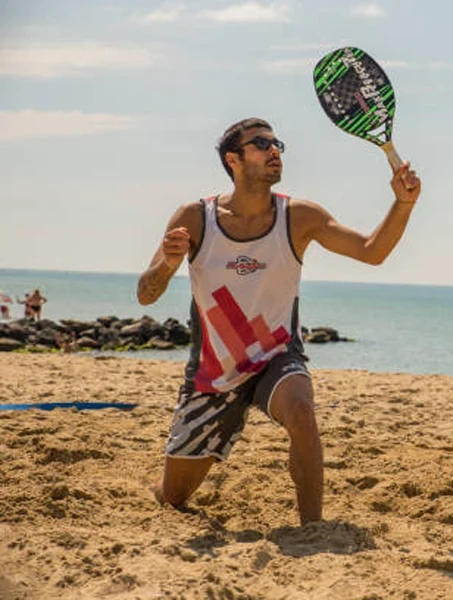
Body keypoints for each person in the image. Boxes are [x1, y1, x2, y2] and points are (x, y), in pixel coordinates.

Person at [137, 117, 421, 524]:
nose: (275, 151)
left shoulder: (299, 215)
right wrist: (167, 262)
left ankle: (313, 528)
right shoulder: (195, 217)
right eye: (261, 144)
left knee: (302, 408)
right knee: (174, 499)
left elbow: (372, 251)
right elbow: (146, 294)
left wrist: (403, 204)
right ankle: (171, 483)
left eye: (277, 144)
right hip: (213, 374)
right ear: (232, 160)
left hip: (276, 357)